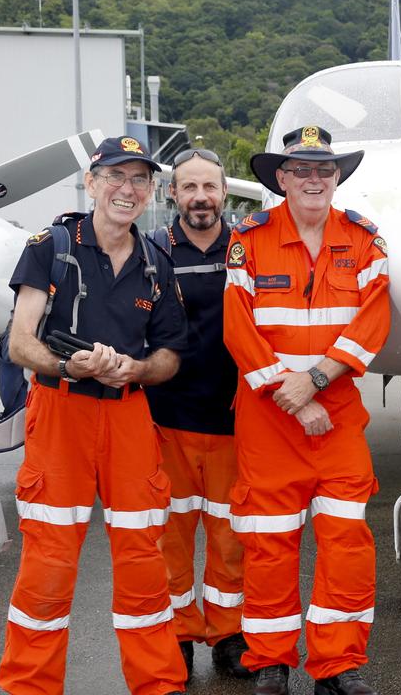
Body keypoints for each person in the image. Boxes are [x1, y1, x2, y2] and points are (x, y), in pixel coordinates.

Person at [0, 136, 188, 695]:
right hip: (61, 412)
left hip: (129, 415)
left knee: (143, 559)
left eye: (138, 180)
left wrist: (134, 369)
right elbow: (19, 344)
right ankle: (30, 686)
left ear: (150, 190)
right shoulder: (50, 246)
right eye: (114, 177)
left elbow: (170, 355)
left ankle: (157, 684)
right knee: (49, 562)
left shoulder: (157, 262)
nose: (126, 190)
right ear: (92, 183)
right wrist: (70, 364)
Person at [223, 125, 391, 695]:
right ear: (281, 179)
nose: (314, 180)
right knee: (269, 542)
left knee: (346, 543)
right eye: (301, 171)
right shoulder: (249, 238)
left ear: (337, 177)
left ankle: (337, 665)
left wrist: (317, 381)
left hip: (337, 410)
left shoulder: (365, 239)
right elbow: (238, 327)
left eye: (325, 170)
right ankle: (270, 661)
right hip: (268, 416)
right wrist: (288, 393)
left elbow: (374, 319)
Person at [144, 147, 251, 680]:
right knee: (171, 536)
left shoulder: (248, 250)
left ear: (224, 192)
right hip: (168, 421)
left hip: (237, 422)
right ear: (173, 194)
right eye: (189, 187)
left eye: (210, 187)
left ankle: (230, 636)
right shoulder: (154, 252)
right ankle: (181, 637)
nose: (201, 197)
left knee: (233, 538)